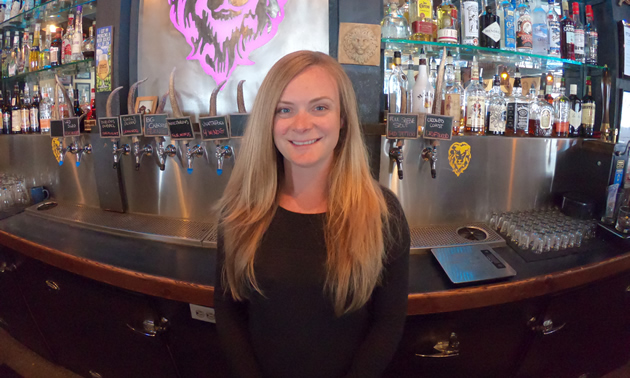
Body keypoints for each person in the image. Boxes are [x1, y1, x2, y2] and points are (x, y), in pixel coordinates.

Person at [214, 50, 410, 378]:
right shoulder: (240, 209)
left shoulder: (382, 213)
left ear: (342, 119)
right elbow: (229, 312)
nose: (302, 125)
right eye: (284, 110)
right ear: (268, 121)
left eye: (319, 107)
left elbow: (387, 323)